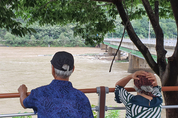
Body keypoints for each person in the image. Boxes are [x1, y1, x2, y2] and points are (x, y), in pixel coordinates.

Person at [18, 51, 94, 118]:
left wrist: (22, 92)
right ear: (73, 69)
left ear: (53, 69)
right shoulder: (81, 97)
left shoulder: (39, 93)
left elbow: (24, 103)